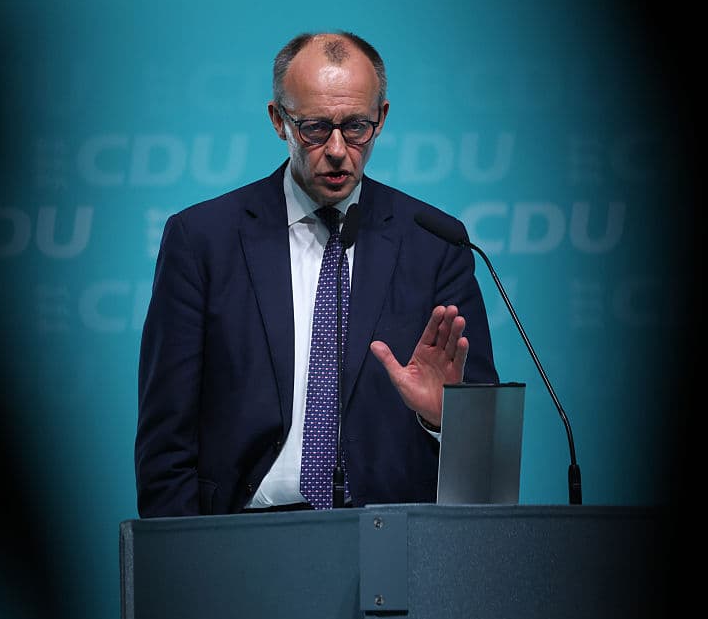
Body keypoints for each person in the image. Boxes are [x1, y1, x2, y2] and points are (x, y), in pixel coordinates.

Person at [135, 31, 499, 517]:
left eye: (355, 127)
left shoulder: (435, 242)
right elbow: (167, 438)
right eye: (313, 129)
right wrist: (182, 566)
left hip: (393, 541)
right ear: (278, 121)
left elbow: (487, 465)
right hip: (241, 540)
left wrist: (443, 420)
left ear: (382, 120)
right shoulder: (203, 240)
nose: (336, 149)